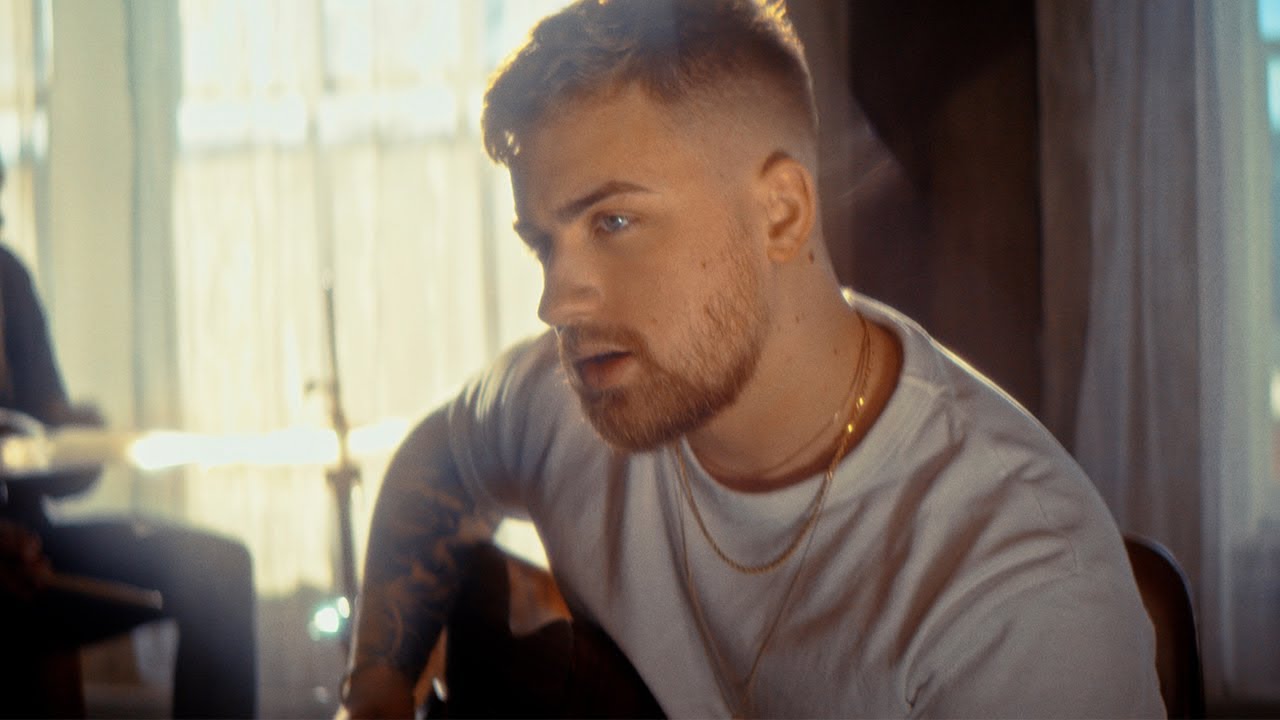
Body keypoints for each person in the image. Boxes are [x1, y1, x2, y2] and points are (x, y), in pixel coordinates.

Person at [341, 0, 1166, 717]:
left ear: (781, 213)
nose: (558, 302)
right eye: (543, 244)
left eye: (613, 222)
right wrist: (375, 684)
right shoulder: (571, 397)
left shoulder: (1021, 591)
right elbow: (442, 458)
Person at [0, 153, 257, 718]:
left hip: (35, 552)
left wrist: (82, 441)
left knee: (220, 570)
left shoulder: (8, 278)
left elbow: (48, 456)